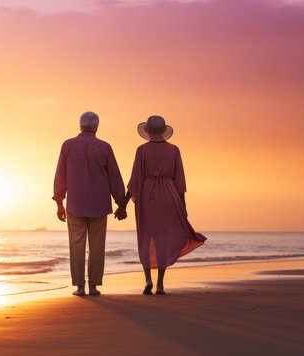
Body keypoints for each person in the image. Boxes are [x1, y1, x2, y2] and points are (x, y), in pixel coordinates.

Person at [115, 115, 206, 295]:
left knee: (146, 236)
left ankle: (147, 279)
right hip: (169, 194)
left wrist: (123, 204)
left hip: (147, 194)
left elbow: (135, 179)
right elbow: (180, 179)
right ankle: (160, 284)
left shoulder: (141, 150)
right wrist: (183, 204)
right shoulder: (174, 150)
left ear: (147, 131)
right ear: (163, 131)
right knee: (164, 237)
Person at [53, 111, 126, 296]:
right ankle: (93, 286)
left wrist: (59, 201)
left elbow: (60, 175)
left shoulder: (68, 145)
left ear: (80, 125)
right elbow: (114, 177)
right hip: (98, 203)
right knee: (97, 245)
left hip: (76, 203)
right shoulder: (104, 147)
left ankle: (79, 286)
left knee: (76, 245)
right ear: (96, 127)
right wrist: (121, 202)